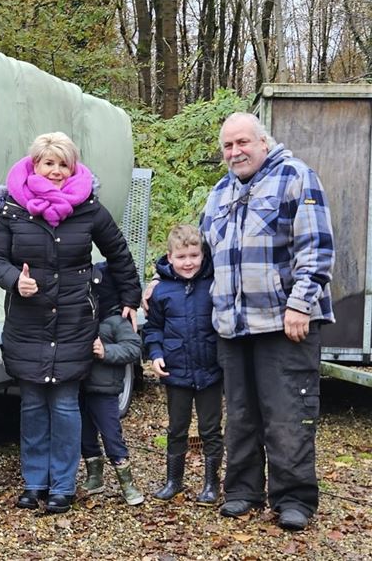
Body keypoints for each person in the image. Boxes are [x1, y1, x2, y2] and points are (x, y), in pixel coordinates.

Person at [143, 112, 333, 531]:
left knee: (287, 413)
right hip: (230, 326)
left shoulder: (296, 178)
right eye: (228, 146)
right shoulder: (220, 192)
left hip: (285, 324)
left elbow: (316, 248)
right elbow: (198, 254)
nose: (235, 152)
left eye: (243, 142)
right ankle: (243, 491)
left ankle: (293, 499)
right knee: (242, 416)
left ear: (263, 141)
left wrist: (301, 304)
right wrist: (161, 278)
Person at [0, 132, 141, 514]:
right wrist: (13, 280)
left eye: (63, 164)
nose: (55, 172)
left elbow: (119, 253)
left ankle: (62, 486)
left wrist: (130, 299)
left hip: (73, 319)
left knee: (66, 404)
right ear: (34, 164)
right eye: (48, 163)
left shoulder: (88, 207)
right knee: (34, 404)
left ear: (73, 167)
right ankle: (35, 483)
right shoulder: (10, 209)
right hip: (28, 321)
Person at [143, 224, 223, 506]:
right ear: (169, 257)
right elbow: (153, 329)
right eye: (181, 257)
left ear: (202, 255)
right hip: (175, 370)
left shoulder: (214, 284)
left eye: (193, 255)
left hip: (210, 370)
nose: (188, 262)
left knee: (210, 429)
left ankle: (212, 484)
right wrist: (155, 354)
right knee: (177, 428)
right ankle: (173, 481)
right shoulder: (161, 291)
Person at [79, 261, 144, 506]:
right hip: (81, 387)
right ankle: (95, 477)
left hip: (105, 391)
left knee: (112, 437)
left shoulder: (117, 322)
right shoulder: (84, 320)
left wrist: (105, 351)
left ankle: (127, 484)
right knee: (86, 436)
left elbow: (133, 348)